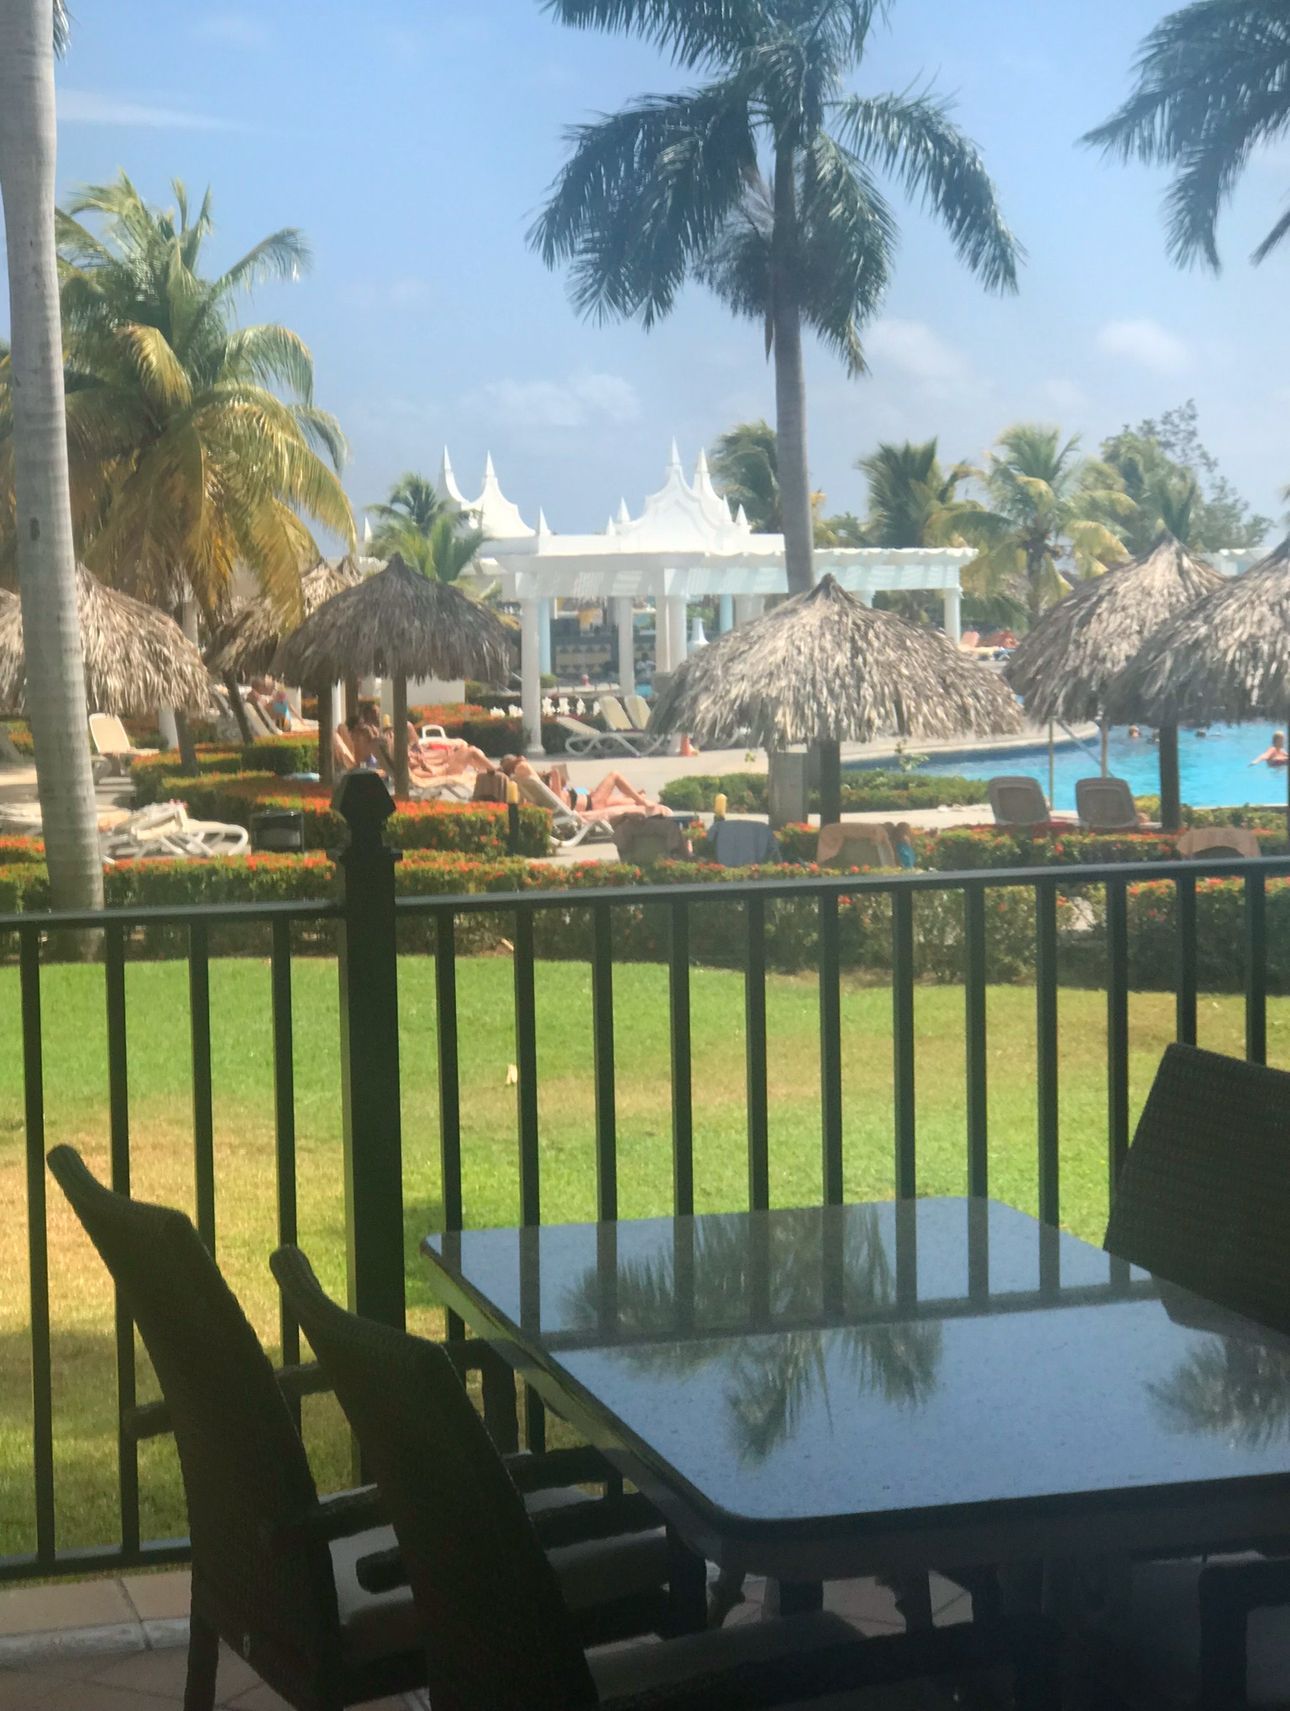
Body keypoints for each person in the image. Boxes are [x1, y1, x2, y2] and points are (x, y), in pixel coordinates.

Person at [501, 754, 670, 816]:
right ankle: (639, 800)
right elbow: (559, 799)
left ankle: (636, 798)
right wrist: (556, 776)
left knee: (629, 802)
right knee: (615, 775)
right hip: (591, 804)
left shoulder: (525, 784)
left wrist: (557, 779)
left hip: (589, 801)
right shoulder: (527, 777)